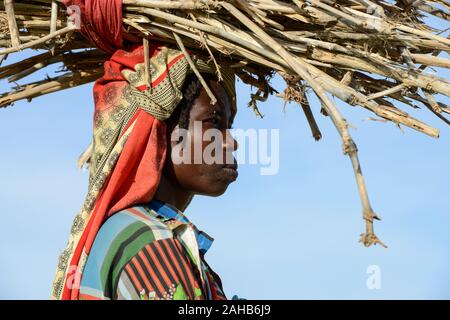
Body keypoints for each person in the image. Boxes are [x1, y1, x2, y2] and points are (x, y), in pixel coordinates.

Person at [51, 0, 238, 300]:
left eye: (229, 126)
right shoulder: (151, 242)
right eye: (213, 123)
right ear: (159, 133)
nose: (231, 142)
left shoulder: (129, 234)